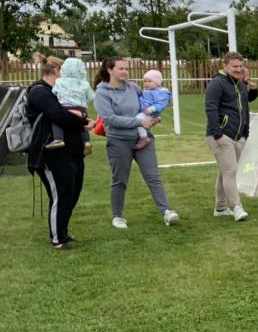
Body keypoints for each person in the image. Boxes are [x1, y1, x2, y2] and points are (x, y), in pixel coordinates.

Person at [93, 57, 180, 229]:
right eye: (121, 68)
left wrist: (154, 116)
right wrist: (139, 122)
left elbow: (148, 105)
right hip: (118, 141)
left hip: (143, 139)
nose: (125, 72)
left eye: (126, 68)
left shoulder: (133, 87)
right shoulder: (102, 93)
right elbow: (110, 119)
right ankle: (117, 216)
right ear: (109, 70)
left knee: (153, 177)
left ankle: (166, 212)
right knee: (120, 180)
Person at [25, 57, 89, 249]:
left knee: (72, 192)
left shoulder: (62, 91)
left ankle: (63, 232)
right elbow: (57, 114)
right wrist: (83, 121)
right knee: (60, 194)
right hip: (50, 153)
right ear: (56, 70)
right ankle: (58, 239)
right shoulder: (39, 91)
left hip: (72, 150)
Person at [204, 51, 258, 222]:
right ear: (224, 66)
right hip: (221, 136)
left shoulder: (239, 83)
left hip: (238, 136)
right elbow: (210, 108)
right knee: (230, 171)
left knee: (225, 172)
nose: (238, 69)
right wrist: (217, 133)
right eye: (234, 66)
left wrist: (245, 134)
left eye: (240, 66)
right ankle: (237, 207)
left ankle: (220, 208)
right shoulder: (216, 84)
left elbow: (245, 103)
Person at [49, 55, 93, 155]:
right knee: (82, 124)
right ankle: (86, 141)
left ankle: (58, 139)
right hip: (81, 108)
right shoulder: (84, 83)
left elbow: (54, 92)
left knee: (56, 121)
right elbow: (90, 96)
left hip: (66, 107)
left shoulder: (59, 81)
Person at [134, 69, 172, 149]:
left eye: (149, 81)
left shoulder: (160, 93)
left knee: (138, 119)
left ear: (157, 83)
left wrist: (151, 109)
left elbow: (161, 104)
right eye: (145, 81)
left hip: (150, 114)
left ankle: (144, 137)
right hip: (143, 111)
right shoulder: (146, 90)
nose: (146, 83)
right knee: (135, 119)